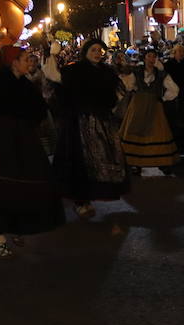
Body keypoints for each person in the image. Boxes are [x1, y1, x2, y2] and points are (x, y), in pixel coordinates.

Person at [0, 42, 65, 259]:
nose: (30, 62)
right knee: (1, 185)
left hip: (24, 137)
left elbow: (40, 110)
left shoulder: (27, 84)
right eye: (25, 58)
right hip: (0, 137)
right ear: (13, 63)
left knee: (25, 181)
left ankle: (19, 225)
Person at [45, 38, 128, 220]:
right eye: (93, 50)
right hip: (78, 123)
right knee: (80, 163)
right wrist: (52, 54)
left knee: (101, 161)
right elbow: (54, 76)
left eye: (100, 50)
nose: (97, 53)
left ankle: (88, 196)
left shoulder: (107, 72)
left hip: (102, 122)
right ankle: (81, 201)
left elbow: (119, 92)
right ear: (86, 52)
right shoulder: (74, 70)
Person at [119, 49, 179, 173]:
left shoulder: (161, 74)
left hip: (154, 105)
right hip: (138, 105)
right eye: (149, 56)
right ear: (144, 58)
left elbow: (174, 89)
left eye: (154, 57)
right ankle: (133, 162)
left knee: (157, 131)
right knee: (135, 130)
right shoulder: (136, 72)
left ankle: (162, 161)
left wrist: (163, 98)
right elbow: (127, 86)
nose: (151, 59)